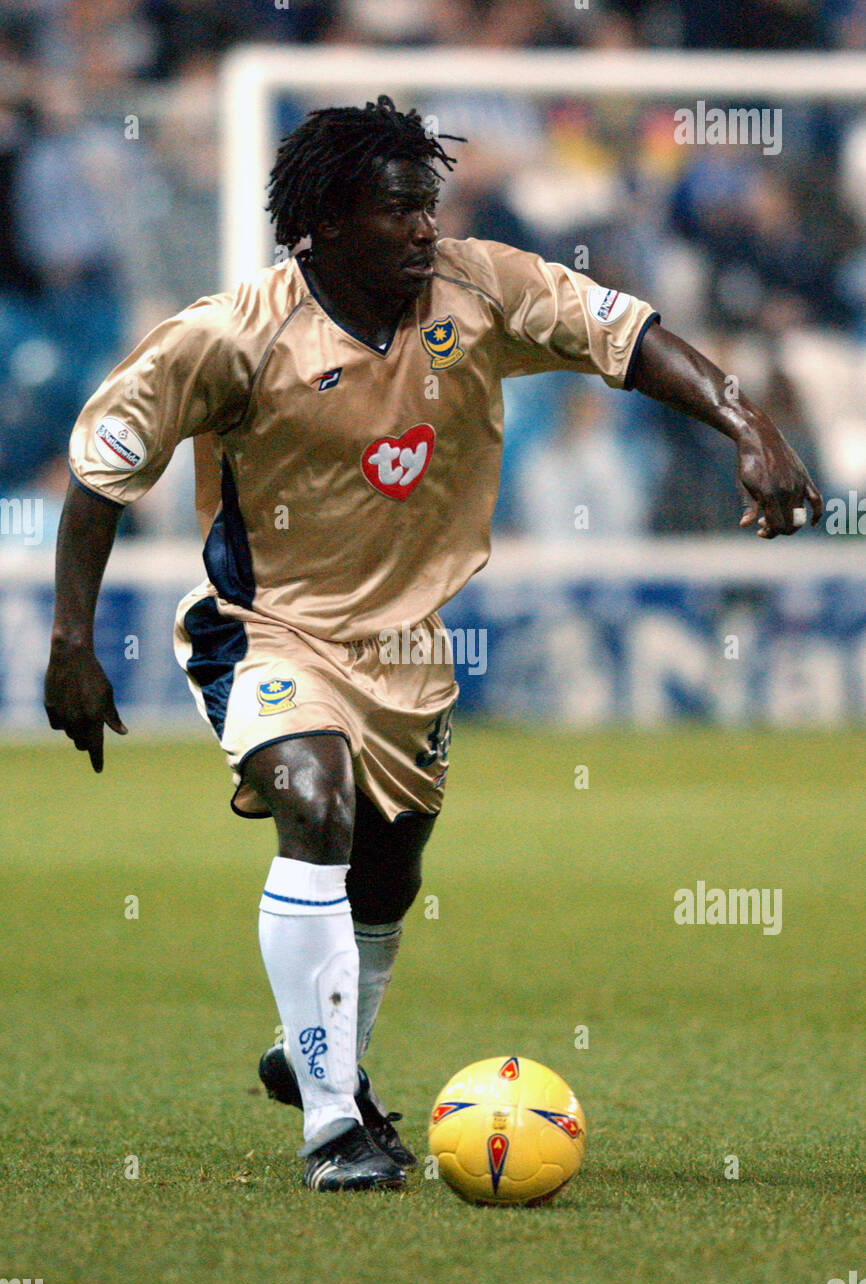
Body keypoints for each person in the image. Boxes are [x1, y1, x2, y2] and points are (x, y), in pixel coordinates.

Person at [44, 95, 822, 1192]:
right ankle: (331, 1124)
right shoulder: (227, 335)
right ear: (320, 220)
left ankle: (316, 1048)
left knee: (387, 872)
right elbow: (99, 471)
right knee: (312, 802)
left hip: (407, 645)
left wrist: (751, 427)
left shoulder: (482, 286)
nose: (422, 230)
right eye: (396, 210)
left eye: (428, 206)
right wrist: (71, 638)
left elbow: (626, 335)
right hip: (266, 628)